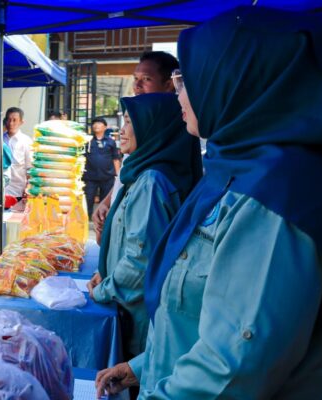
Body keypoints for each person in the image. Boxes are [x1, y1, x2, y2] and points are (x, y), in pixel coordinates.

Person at [96, 7, 322, 398]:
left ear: (238, 81)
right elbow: (201, 316)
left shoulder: (280, 194)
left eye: (188, 79)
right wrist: (144, 366)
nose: (180, 92)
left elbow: (232, 370)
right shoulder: (234, 169)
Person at [87, 93, 202, 359]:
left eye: (129, 122)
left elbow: (141, 261)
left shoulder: (150, 182)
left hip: (137, 318)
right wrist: (106, 273)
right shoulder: (140, 174)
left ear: (153, 129)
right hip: (131, 309)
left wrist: (103, 290)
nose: (122, 130)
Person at [92, 51, 179, 242]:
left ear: (168, 84)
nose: (137, 86)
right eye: (135, 79)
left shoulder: (172, 129)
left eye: (146, 79)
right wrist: (108, 202)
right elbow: (127, 171)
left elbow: (140, 250)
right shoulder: (140, 127)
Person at [83, 117, 121, 217]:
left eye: (99, 123)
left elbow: (115, 159)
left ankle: (103, 219)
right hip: (90, 177)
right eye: (94, 123)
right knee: (88, 198)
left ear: (105, 127)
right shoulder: (87, 141)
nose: (96, 125)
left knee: (105, 200)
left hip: (107, 176)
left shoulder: (110, 142)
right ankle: (87, 218)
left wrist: (117, 175)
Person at [3, 106, 33, 208]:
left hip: (18, 194)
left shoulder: (26, 141)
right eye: (9, 119)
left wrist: (28, 187)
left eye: (15, 120)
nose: (11, 123)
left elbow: (30, 168)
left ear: (21, 122)